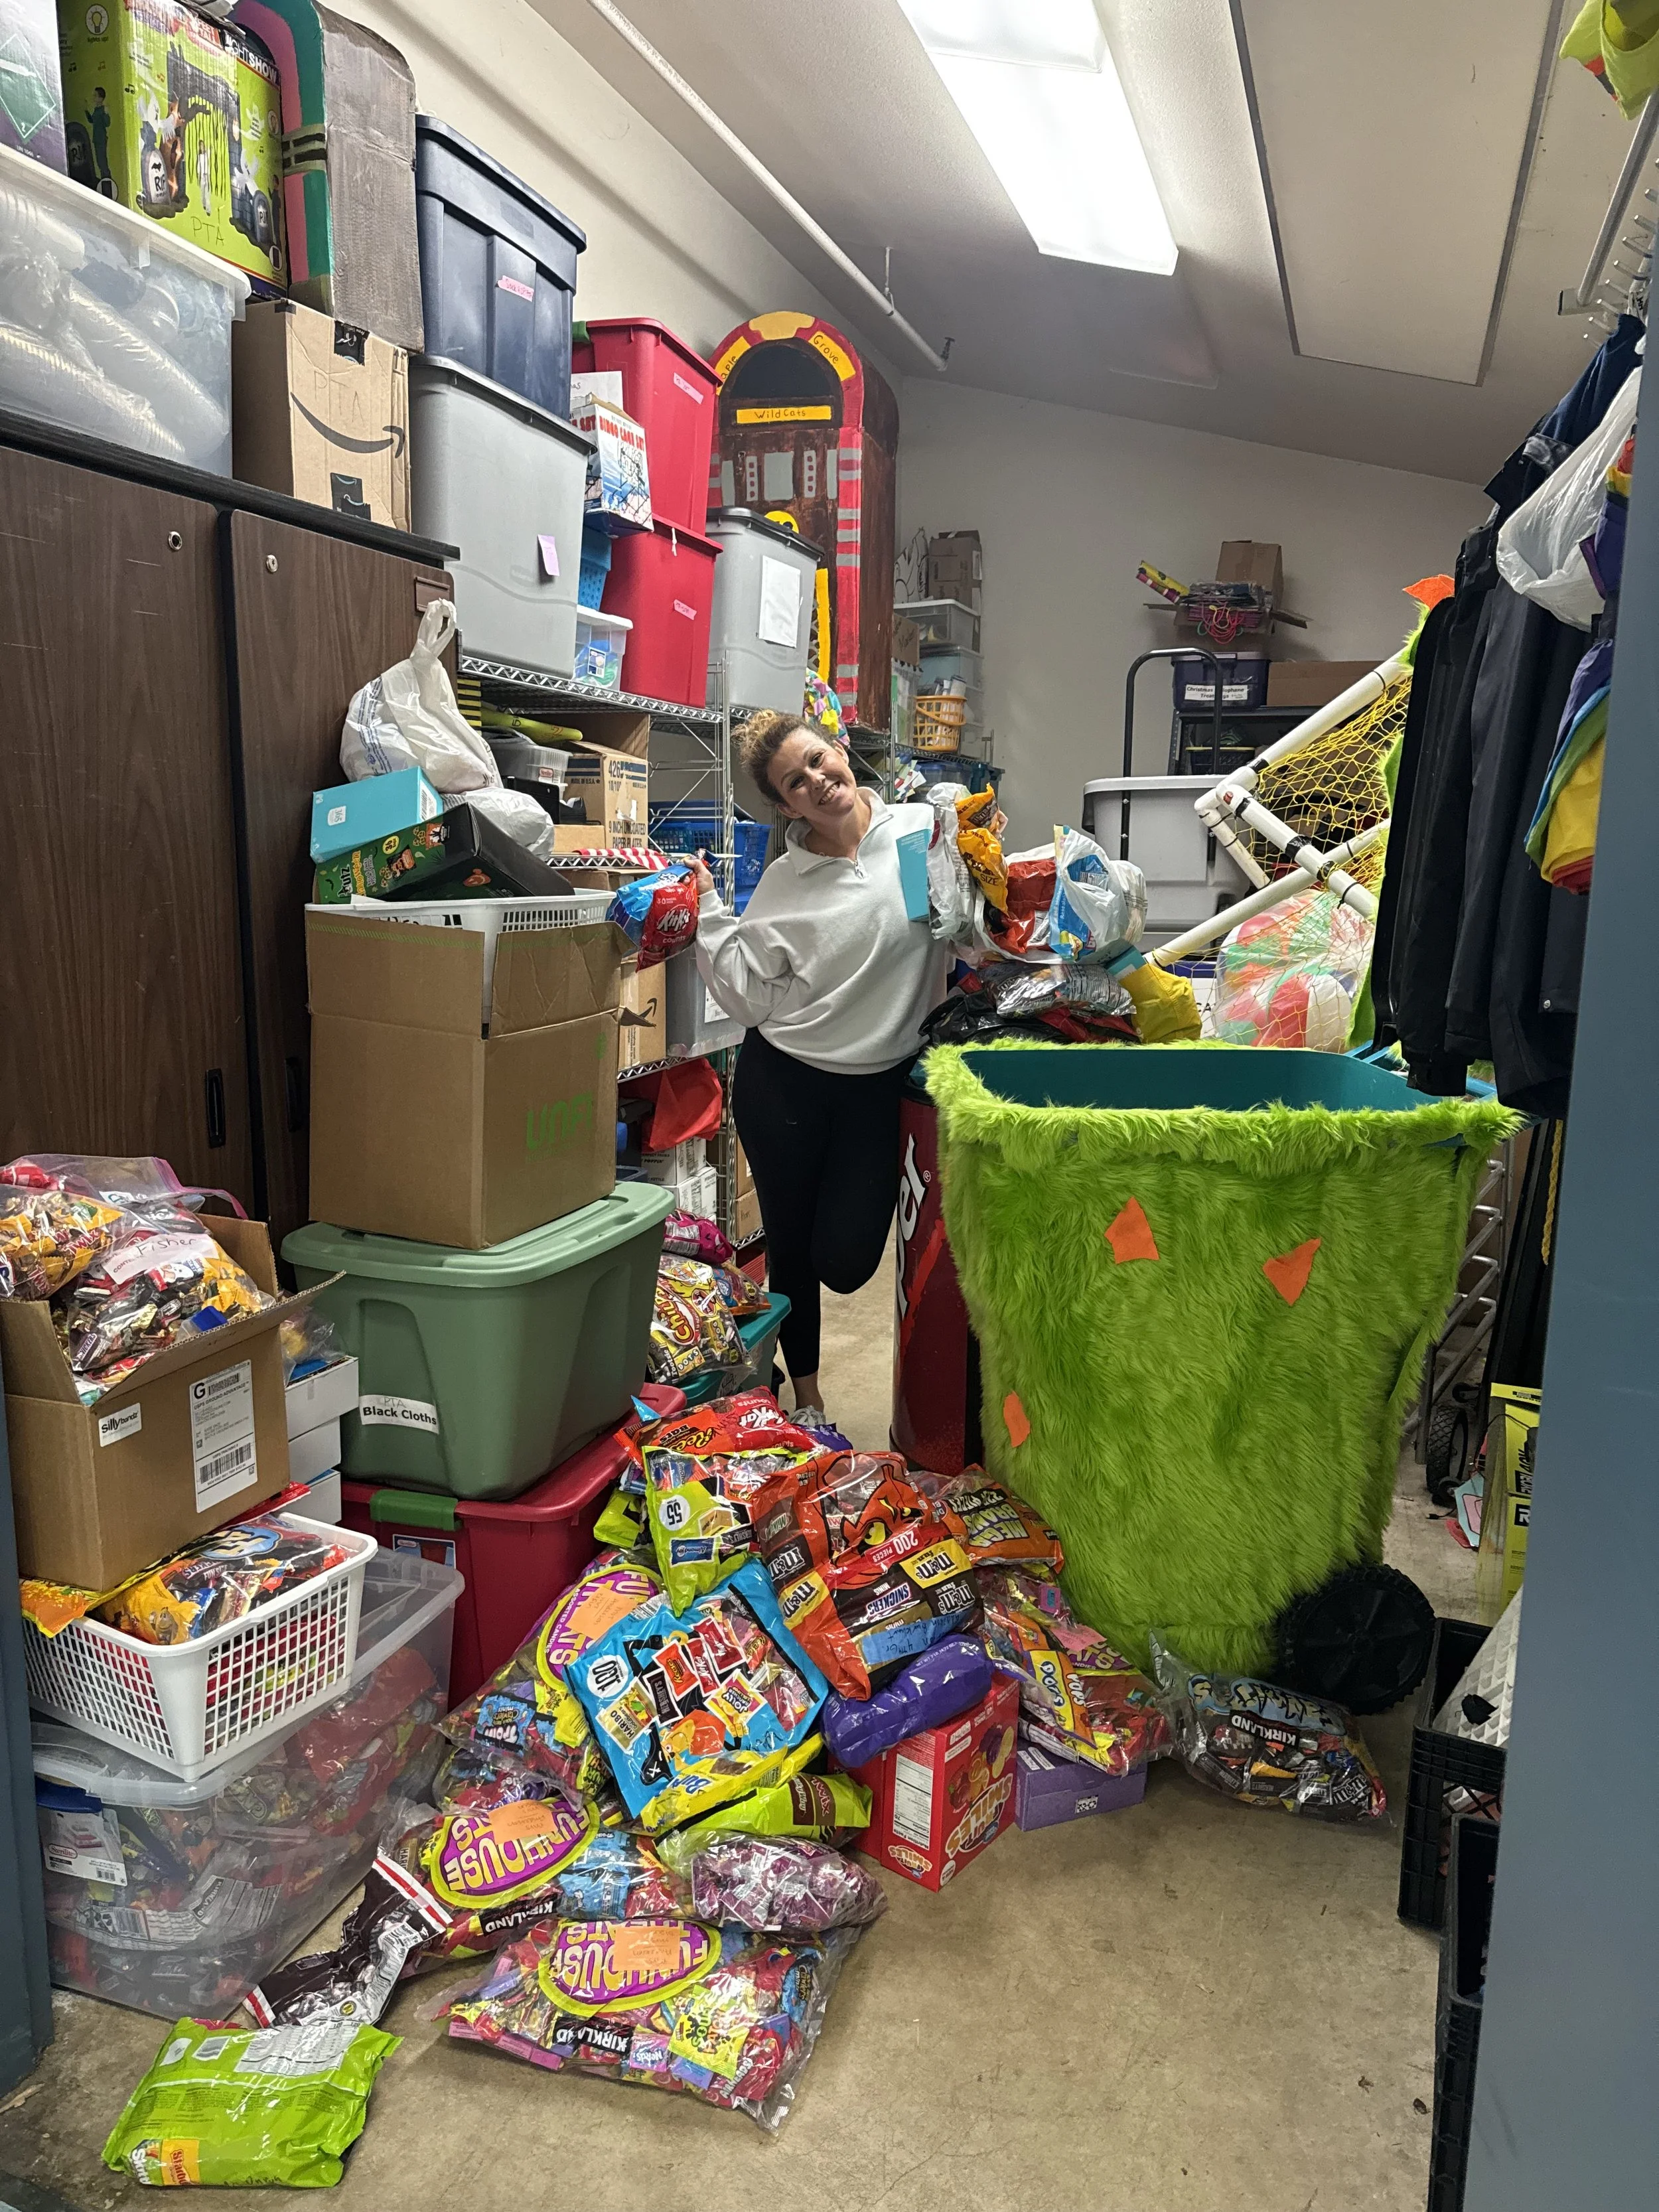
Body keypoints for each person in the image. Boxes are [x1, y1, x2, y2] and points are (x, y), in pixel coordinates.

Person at [689, 711, 946, 1428]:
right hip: (787, 1081)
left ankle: (796, 1386)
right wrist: (710, 911)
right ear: (784, 806)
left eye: (816, 761)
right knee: (792, 1245)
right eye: (793, 782)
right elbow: (746, 995)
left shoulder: (921, 835)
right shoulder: (784, 883)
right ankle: (805, 1400)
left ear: (839, 752)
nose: (816, 782)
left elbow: (970, 927)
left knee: (848, 1258)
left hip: (878, 1084)